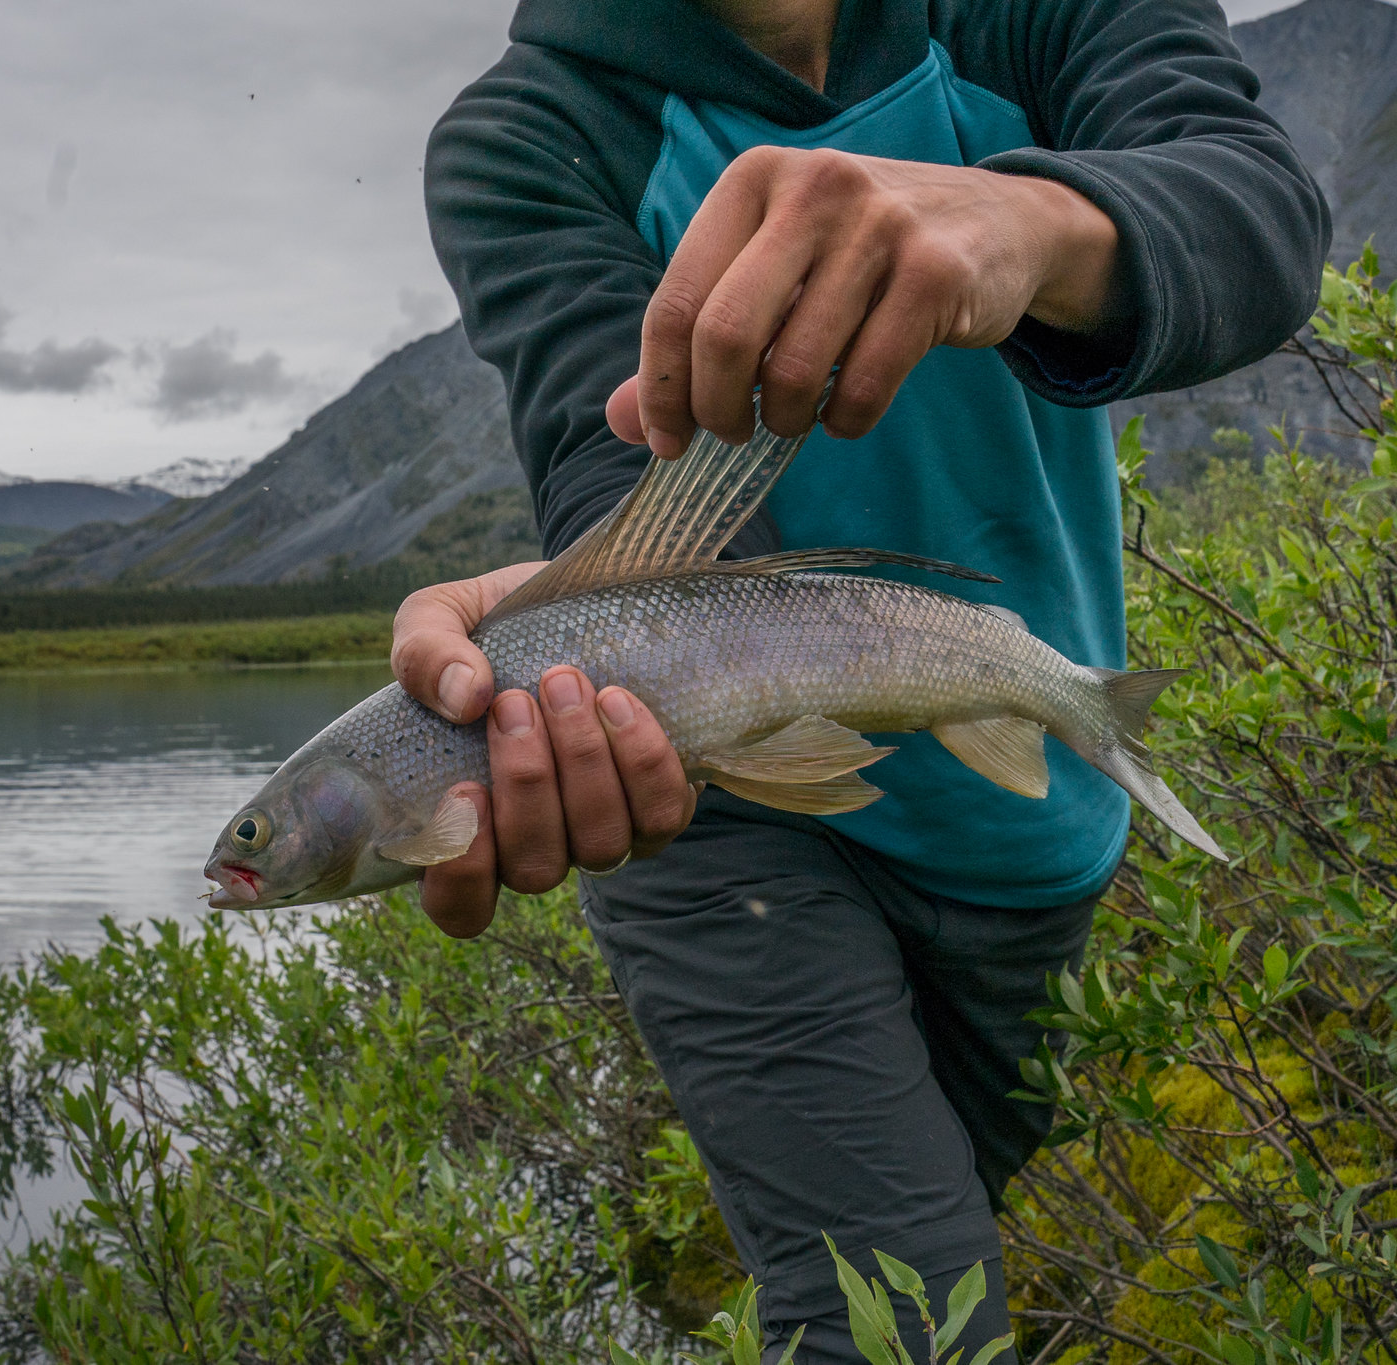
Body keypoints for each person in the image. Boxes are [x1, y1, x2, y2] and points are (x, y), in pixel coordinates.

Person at [402, 0, 1328, 1358]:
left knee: (949, 1229)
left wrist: (1022, 229)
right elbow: (615, 458)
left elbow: (1258, 211)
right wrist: (570, 620)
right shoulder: (528, 136)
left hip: (1029, 808)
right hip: (724, 811)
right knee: (899, 1325)